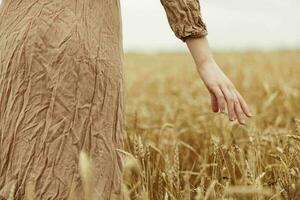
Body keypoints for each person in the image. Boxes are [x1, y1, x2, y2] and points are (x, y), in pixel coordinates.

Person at [0, 0, 251, 199]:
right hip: (84, 47)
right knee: (86, 176)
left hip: (14, 44)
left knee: (17, 168)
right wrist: (204, 60)